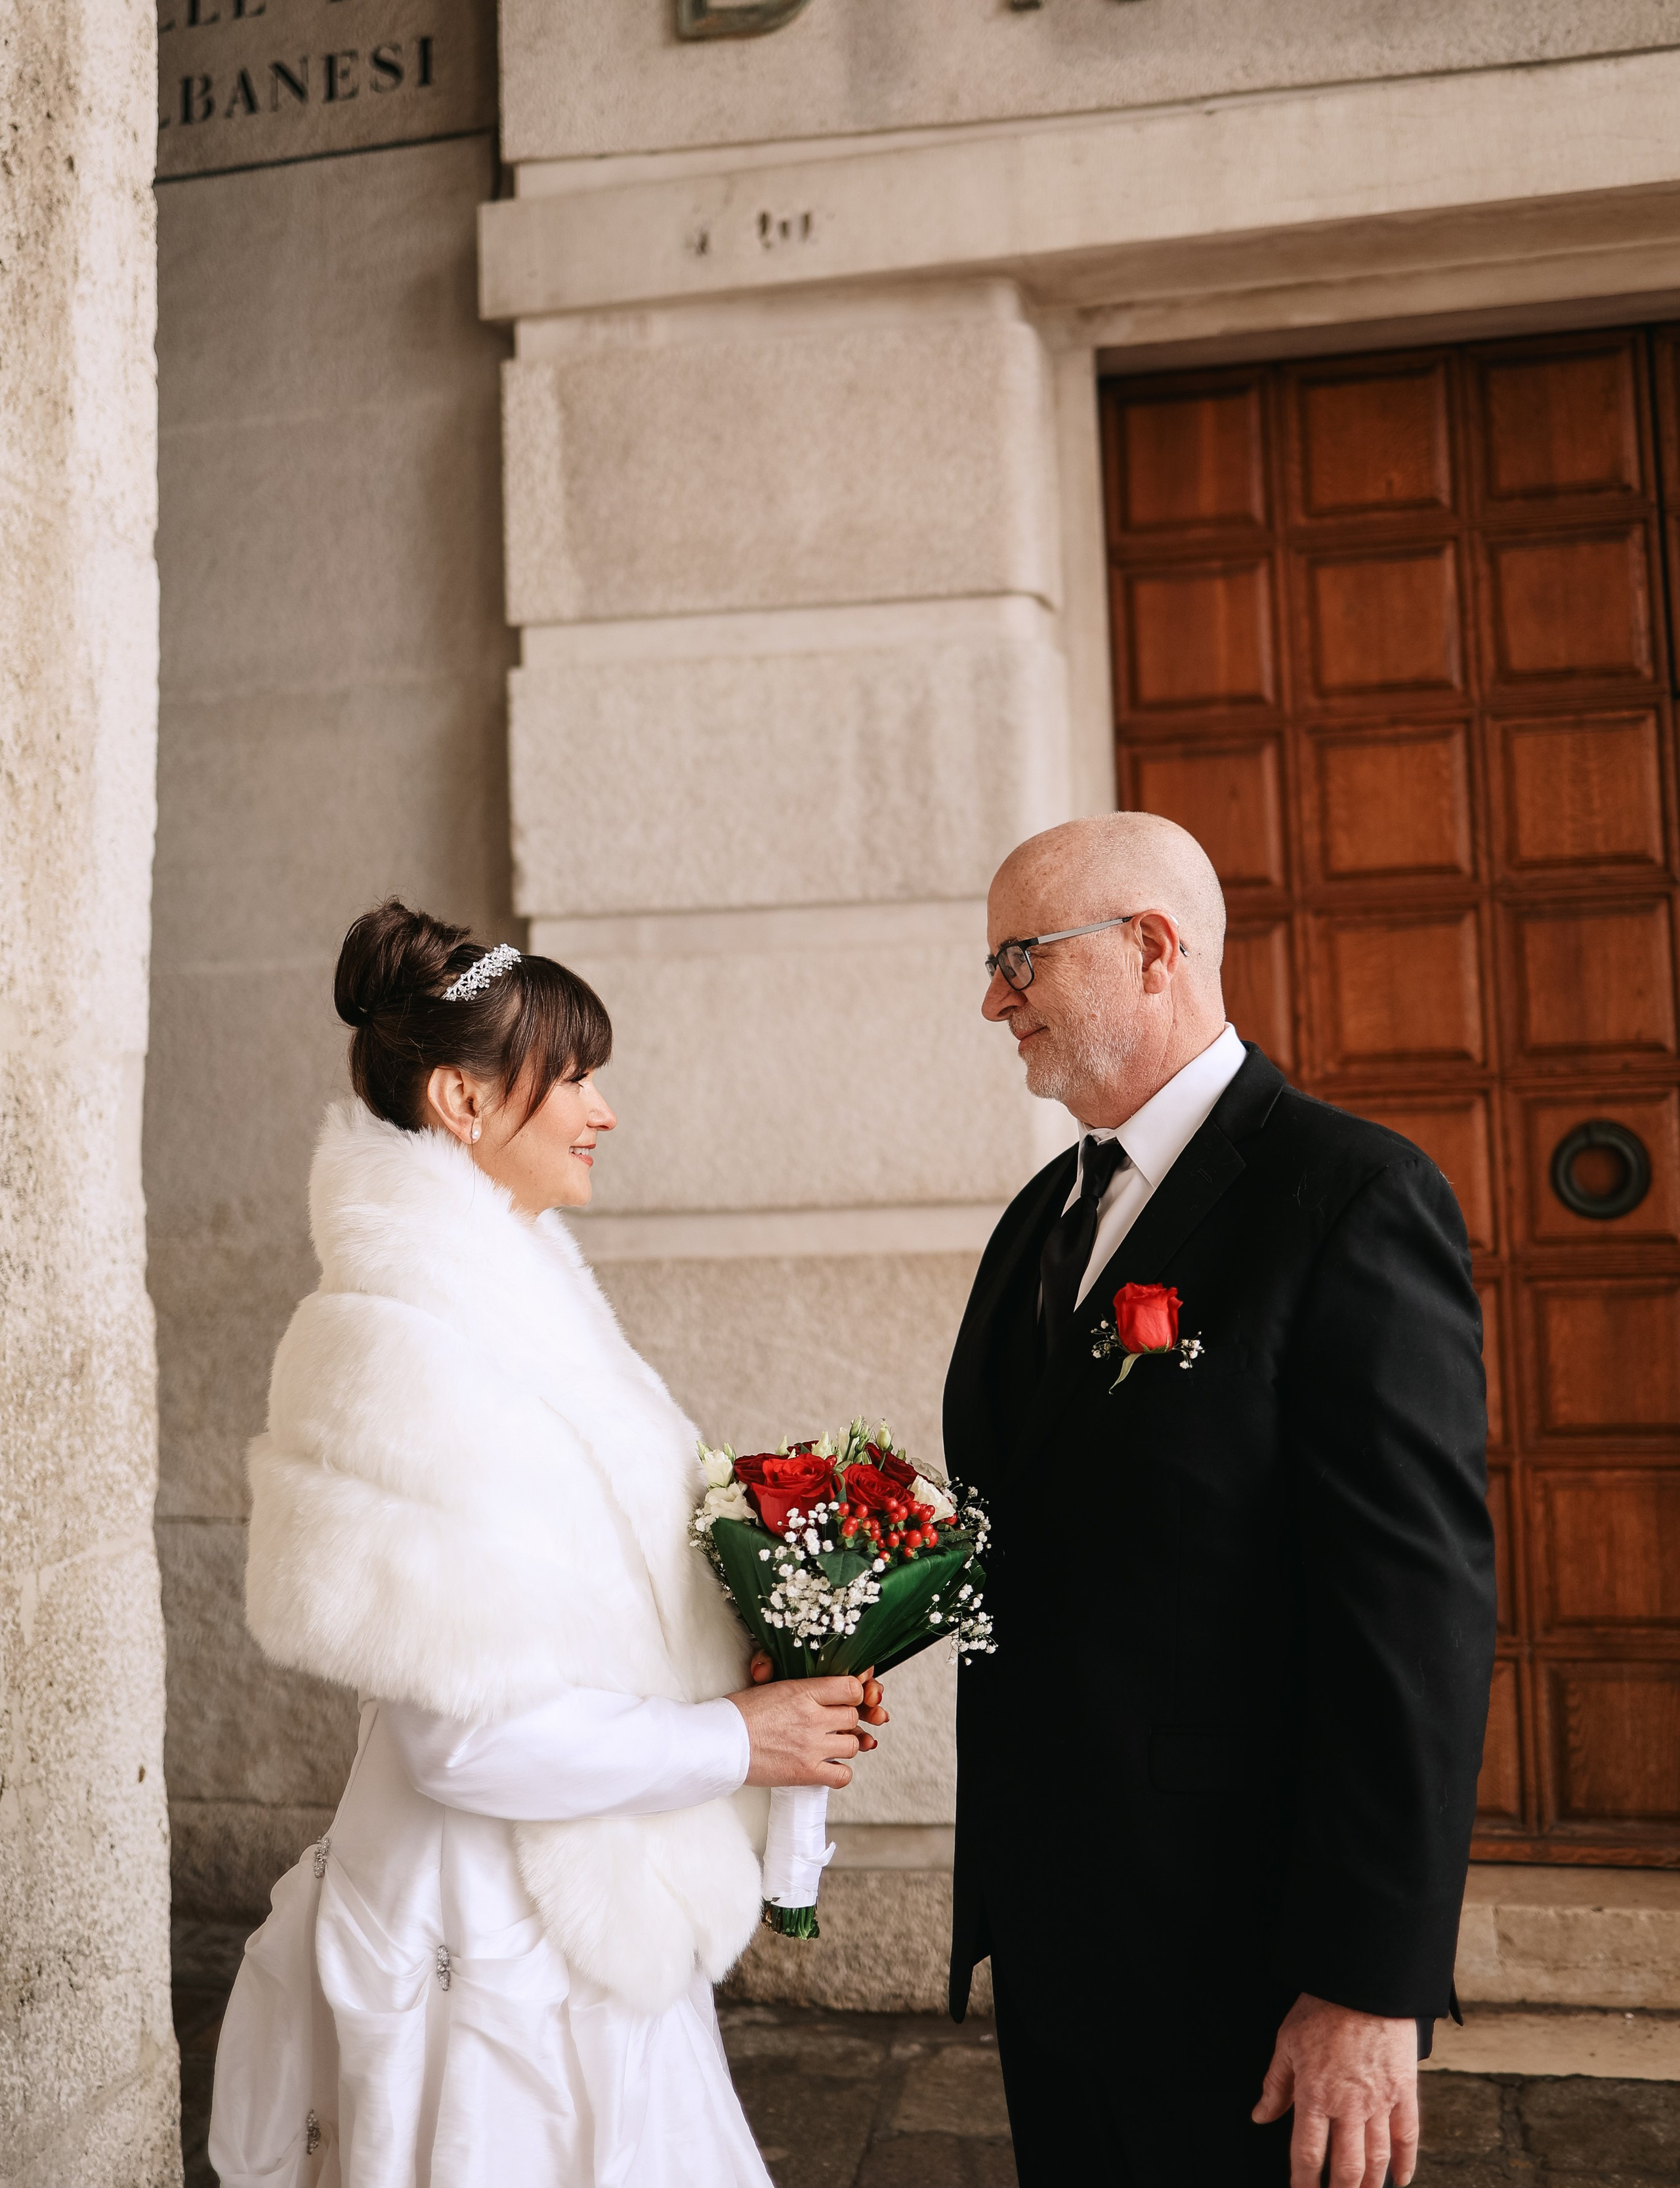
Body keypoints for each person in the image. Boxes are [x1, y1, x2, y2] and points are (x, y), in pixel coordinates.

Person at [209, 898, 887, 2187]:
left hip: (581, 1899)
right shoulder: (410, 1351)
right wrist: (739, 1742)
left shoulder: (521, 1299)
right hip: (496, 1950)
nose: (601, 1109)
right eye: (571, 1076)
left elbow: (596, 1597)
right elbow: (465, 1739)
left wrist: (764, 1641)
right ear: (464, 1104)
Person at [942, 814, 1496, 2188]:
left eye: (1020, 957)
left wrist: (1366, 1988)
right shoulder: (1040, 1220)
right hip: (1059, 1942)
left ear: (1149, 948)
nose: (992, 998)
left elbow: (1409, 1628)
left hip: (1243, 1957)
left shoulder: (1347, 1199)